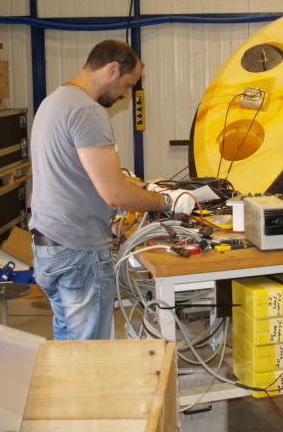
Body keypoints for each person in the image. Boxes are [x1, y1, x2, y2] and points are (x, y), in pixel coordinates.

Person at [29, 39, 196, 340]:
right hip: (79, 251)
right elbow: (113, 194)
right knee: (91, 357)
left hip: (48, 247)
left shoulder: (53, 102)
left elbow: (85, 174)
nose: (125, 95)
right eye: (127, 85)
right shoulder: (87, 111)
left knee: (69, 352)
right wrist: (166, 201)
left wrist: (140, 186)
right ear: (112, 69)